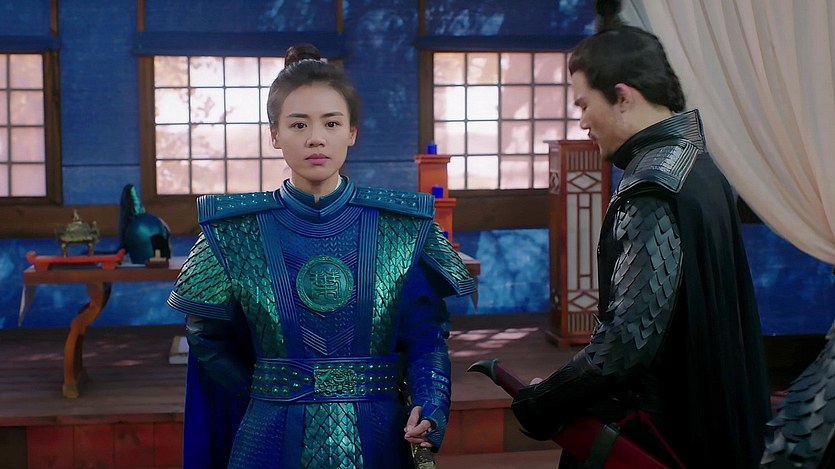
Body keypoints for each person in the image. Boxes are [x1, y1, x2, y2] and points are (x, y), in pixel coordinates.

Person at [167, 43, 475, 468]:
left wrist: (431, 405)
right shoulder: (233, 232)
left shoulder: (404, 228)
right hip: (268, 435)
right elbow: (207, 339)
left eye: (331, 122)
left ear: (352, 132)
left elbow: (426, 335)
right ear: (274, 134)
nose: (316, 137)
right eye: (298, 124)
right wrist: (265, 392)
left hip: (380, 434)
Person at [509, 1, 771, 467]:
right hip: (711, 418)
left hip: (657, 437)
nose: (582, 121)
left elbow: (626, 344)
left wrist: (544, 399)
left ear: (623, 97)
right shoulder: (701, 168)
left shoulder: (651, 188)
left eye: (584, 104)